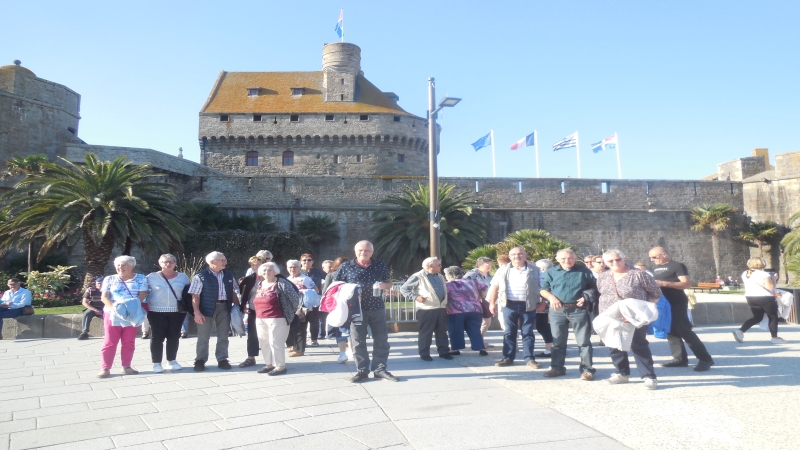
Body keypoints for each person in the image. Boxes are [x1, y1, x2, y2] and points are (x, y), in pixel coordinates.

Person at [333, 240, 398, 382]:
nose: (364, 253)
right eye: (360, 250)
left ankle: (380, 369)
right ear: (355, 252)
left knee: (381, 340)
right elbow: (336, 286)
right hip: (356, 309)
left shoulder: (380, 264)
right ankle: (362, 370)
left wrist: (383, 285)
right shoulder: (346, 266)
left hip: (377, 307)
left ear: (372, 252)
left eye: (367, 250)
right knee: (357, 341)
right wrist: (348, 291)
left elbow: (389, 283)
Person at [596, 250, 662, 389]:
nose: (615, 263)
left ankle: (649, 377)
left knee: (638, 345)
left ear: (624, 259)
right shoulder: (603, 277)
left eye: (618, 259)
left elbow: (656, 293)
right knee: (614, 345)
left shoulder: (638, 274)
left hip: (635, 317)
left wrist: (642, 312)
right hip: (611, 316)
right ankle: (621, 373)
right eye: (610, 261)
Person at [648, 246, 714, 371]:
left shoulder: (677, 266)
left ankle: (705, 359)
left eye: (654, 257)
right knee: (671, 331)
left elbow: (686, 284)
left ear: (664, 254)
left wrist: (664, 283)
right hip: (664, 303)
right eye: (650, 258)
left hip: (677, 302)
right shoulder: (655, 268)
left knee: (685, 331)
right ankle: (679, 359)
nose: (652, 260)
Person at [540, 248, 597, 380]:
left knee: (584, 342)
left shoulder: (584, 271)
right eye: (563, 258)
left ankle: (587, 370)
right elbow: (543, 289)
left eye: (570, 258)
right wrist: (551, 298)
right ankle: (556, 368)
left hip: (578, 310)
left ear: (575, 258)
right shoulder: (551, 272)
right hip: (557, 310)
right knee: (557, 341)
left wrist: (586, 297)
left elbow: (594, 288)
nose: (567, 260)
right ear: (557, 259)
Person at [488, 247, 542, 369]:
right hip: (508, 305)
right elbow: (495, 287)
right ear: (509, 256)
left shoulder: (535, 270)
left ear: (525, 255)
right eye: (514, 254)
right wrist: (492, 303)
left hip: (528, 305)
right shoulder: (502, 270)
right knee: (509, 332)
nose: (517, 256)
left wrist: (543, 302)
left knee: (528, 333)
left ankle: (529, 359)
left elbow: (543, 286)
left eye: (520, 254)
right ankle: (508, 358)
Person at [97, 256, 149, 378]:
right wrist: (114, 308)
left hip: (132, 314)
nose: (121, 267)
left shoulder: (140, 278)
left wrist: (129, 307)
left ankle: (126, 366)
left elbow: (143, 294)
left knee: (129, 341)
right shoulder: (109, 279)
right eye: (118, 265)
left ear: (132, 266)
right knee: (109, 342)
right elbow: (104, 297)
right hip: (112, 313)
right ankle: (105, 368)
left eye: (124, 265)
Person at [189, 251, 241, 371]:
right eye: (222, 260)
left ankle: (222, 359)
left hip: (224, 308)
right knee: (203, 336)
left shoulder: (228, 274)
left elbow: (234, 292)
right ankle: (200, 360)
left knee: (223, 335)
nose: (225, 262)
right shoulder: (200, 276)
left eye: (225, 260)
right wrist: (196, 312)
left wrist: (239, 307)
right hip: (206, 309)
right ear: (212, 262)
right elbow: (195, 296)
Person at [146, 253, 191, 373]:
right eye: (165, 262)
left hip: (177, 311)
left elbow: (188, 293)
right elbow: (144, 292)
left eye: (171, 261)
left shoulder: (183, 277)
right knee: (157, 337)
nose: (168, 264)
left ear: (175, 264)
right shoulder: (151, 277)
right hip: (156, 311)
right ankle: (156, 363)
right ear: (159, 264)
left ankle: (171, 360)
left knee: (174, 336)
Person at [400, 257, 452, 361]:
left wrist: (446, 304)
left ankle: (444, 352)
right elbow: (404, 289)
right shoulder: (418, 276)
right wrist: (416, 297)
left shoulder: (440, 276)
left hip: (440, 308)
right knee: (426, 332)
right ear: (430, 266)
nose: (441, 267)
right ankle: (424, 354)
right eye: (439, 265)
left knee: (442, 331)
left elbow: (444, 291)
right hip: (426, 309)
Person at [253, 262, 300, 375]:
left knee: (275, 342)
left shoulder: (281, 283)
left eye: (270, 270)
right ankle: (269, 364)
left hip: (277, 317)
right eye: (264, 270)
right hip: (260, 317)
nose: (267, 272)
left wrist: (290, 312)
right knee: (264, 342)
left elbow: (295, 299)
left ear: (275, 271)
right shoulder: (261, 284)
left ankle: (280, 366)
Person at [734, 257, 784, 344]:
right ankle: (774, 337)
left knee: (757, 317)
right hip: (765, 297)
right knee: (773, 316)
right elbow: (771, 287)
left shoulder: (745, 273)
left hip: (750, 297)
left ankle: (741, 331)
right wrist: (774, 279)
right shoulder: (764, 274)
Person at [443, 266, 488, 356]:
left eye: (446, 274)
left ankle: (455, 349)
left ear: (449, 275)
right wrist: (480, 296)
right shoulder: (472, 282)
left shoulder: (448, 284)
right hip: (475, 309)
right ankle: (480, 347)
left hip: (456, 310)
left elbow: (444, 296)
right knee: (475, 329)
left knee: (455, 330)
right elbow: (485, 287)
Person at [285, 259, 320, 357]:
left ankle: (300, 349)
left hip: (303, 307)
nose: (293, 269)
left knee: (301, 327)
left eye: (295, 267)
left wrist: (303, 291)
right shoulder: (288, 279)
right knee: (293, 327)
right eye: (290, 267)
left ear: (300, 268)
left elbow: (316, 290)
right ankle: (295, 346)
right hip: (292, 307)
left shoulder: (305, 279)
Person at [238, 255, 267, 368]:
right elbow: (241, 293)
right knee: (252, 334)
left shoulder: (273, 277)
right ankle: (251, 357)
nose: (255, 267)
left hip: (269, 311)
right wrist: (243, 306)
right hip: (253, 309)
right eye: (253, 265)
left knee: (268, 335)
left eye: (258, 264)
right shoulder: (249, 278)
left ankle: (271, 358)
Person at [323, 257, 353, 362]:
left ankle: (342, 353)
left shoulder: (331, 275)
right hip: (351, 305)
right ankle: (351, 350)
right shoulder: (352, 274)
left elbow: (325, 292)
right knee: (350, 328)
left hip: (337, 306)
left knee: (340, 329)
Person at [464, 256, 494, 344]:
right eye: (487, 264)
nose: (489, 266)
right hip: (475, 301)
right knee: (478, 322)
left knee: (487, 321)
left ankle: (480, 339)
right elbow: (464, 286)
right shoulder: (472, 274)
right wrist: (477, 296)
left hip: (486, 300)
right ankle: (478, 341)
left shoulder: (488, 275)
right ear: (479, 265)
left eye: (490, 264)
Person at [300, 253, 327, 346]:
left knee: (314, 319)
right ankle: (302, 341)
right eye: (304, 260)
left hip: (315, 298)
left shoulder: (317, 271)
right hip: (302, 299)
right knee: (302, 319)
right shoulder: (298, 271)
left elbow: (328, 278)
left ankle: (314, 340)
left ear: (312, 261)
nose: (306, 262)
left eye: (309, 260)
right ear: (301, 261)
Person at [533, 259, 555, 358]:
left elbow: (548, 290)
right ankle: (552, 347)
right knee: (544, 326)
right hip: (545, 304)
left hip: (545, 305)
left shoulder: (546, 276)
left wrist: (544, 303)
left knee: (543, 326)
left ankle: (550, 349)